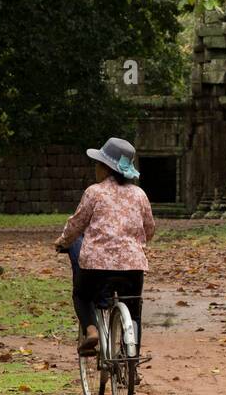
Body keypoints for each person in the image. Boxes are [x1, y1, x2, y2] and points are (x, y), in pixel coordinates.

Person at [54, 137, 155, 355]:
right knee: (134, 312)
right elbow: (150, 230)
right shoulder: (140, 195)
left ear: (106, 168)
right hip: (133, 267)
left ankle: (91, 331)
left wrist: (63, 242)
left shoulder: (94, 192)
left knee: (82, 295)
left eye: (98, 164)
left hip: (97, 267)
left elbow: (76, 225)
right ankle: (132, 357)